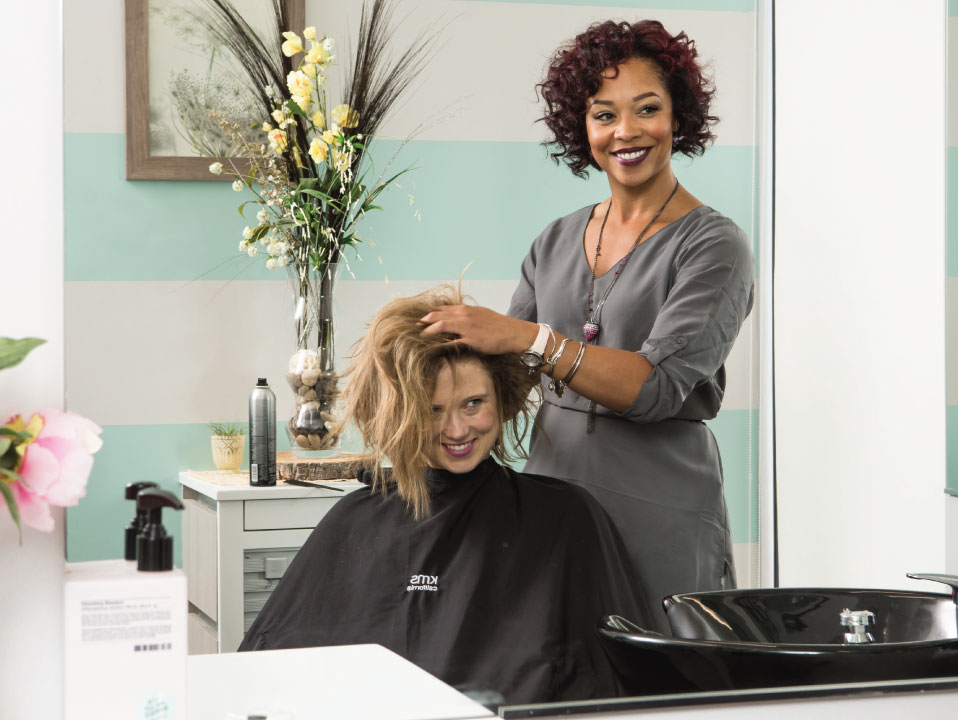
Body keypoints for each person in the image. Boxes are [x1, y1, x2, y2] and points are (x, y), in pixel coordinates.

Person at [420, 20, 755, 616]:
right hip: (551, 503)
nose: (625, 132)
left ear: (679, 116)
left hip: (660, 511)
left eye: (647, 109)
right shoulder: (555, 240)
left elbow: (655, 388)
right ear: (583, 126)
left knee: (661, 688)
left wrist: (531, 338)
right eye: (604, 114)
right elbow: (504, 378)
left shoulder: (714, 247)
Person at [239, 286, 652, 707]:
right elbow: (272, 673)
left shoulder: (564, 518)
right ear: (400, 413)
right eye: (433, 410)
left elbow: (617, 684)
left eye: (473, 404)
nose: (456, 430)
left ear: (503, 399)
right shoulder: (354, 521)